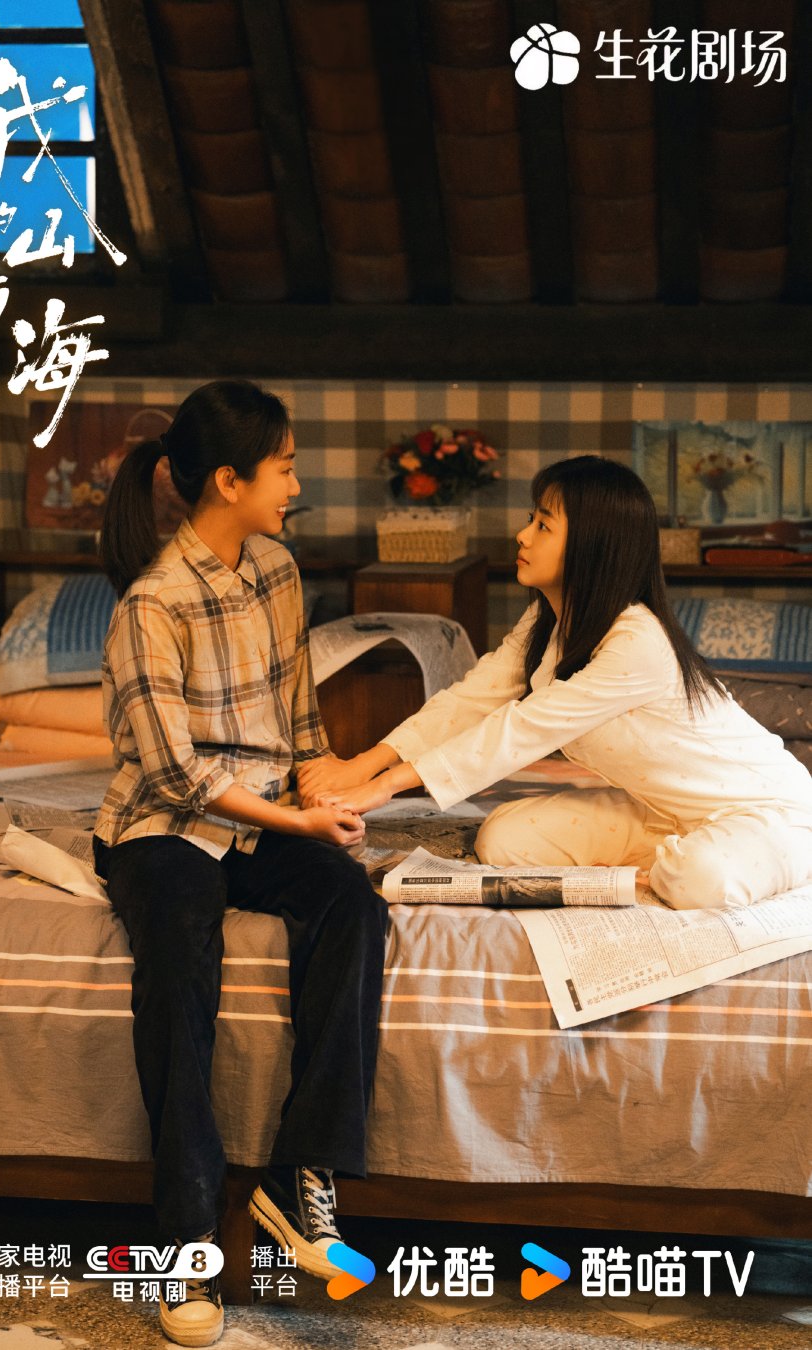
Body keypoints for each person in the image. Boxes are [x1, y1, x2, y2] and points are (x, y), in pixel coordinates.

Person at [94, 379, 388, 1348]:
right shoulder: (151, 603)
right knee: (182, 950)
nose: (296, 485)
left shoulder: (276, 569)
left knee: (353, 904)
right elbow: (174, 776)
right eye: (285, 468)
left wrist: (324, 800)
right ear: (229, 480)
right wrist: (293, 820)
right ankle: (184, 1241)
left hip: (262, 813)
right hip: (162, 824)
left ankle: (301, 1182)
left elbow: (300, 721)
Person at [300, 455, 812, 910]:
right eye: (532, 519)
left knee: (698, 879)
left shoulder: (638, 641)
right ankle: (667, 862)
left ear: (593, 545)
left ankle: (693, 864)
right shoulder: (548, 618)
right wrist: (361, 765)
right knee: (502, 840)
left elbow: (522, 729)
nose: (523, 536)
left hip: (765, 813)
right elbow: (472, 699)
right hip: (661, 813)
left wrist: (381, 788)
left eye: (543, 525)